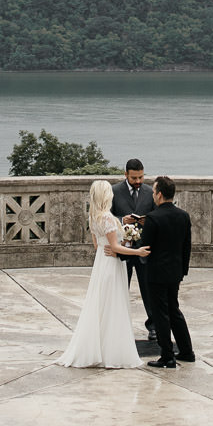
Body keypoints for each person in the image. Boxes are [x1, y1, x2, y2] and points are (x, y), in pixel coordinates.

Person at [57, 179, 152, 369]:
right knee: (113, 304)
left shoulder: (93, 217)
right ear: (106, 196)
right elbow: (115, 247)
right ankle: (112, 351)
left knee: (101, 304)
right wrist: (137, 251)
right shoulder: (108, 218)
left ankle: (100, 347)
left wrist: (121, 241)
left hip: (101, 261)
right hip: (111, 264)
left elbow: (97, 245)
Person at [140, 175, 195, 368]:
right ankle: (187, 351)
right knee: (174, 310)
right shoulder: (183, 216)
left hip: (156, 273)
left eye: (154, 191)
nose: (153, 195)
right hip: (175, 271)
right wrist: (183, 270)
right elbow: (186, 246)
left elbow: (144, 247)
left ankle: (167, 355)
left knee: (160, 314)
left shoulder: (153, 218)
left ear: (160, 194)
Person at [109, 158, 156, 338]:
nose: (138, 181)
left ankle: (153, 326)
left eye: (141, 177)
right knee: (120, 288)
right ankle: (118, 325)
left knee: (149, 289)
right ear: (126, 175)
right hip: (123, 248)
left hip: (144, 248)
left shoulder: (149, 191)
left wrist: (148, 221)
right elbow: (106, 217)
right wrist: (122, 220)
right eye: (134, 178)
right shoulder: (114, 191)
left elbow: (156, 216)